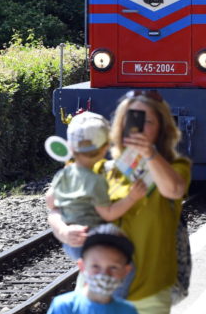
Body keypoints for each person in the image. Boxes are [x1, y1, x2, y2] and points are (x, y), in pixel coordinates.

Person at [48, 91, 190, 314]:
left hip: (148, 294)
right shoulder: (95, 166)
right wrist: (63, 231)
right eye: (130, 120)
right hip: (95, 293)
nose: (138, 127)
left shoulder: (174, 168)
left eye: (147, 121)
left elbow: (173, 190)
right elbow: (55, 207)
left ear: (161, 128)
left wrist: (149, 154)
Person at [46, 112, 147, 262]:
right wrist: (132, 198)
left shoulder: (63, 174)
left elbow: (50, 202)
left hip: (70, 242)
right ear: (104, 148)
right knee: (129, 257)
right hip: (91, 238)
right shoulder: (95, 181)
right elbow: (108, 214)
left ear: (70, 147)